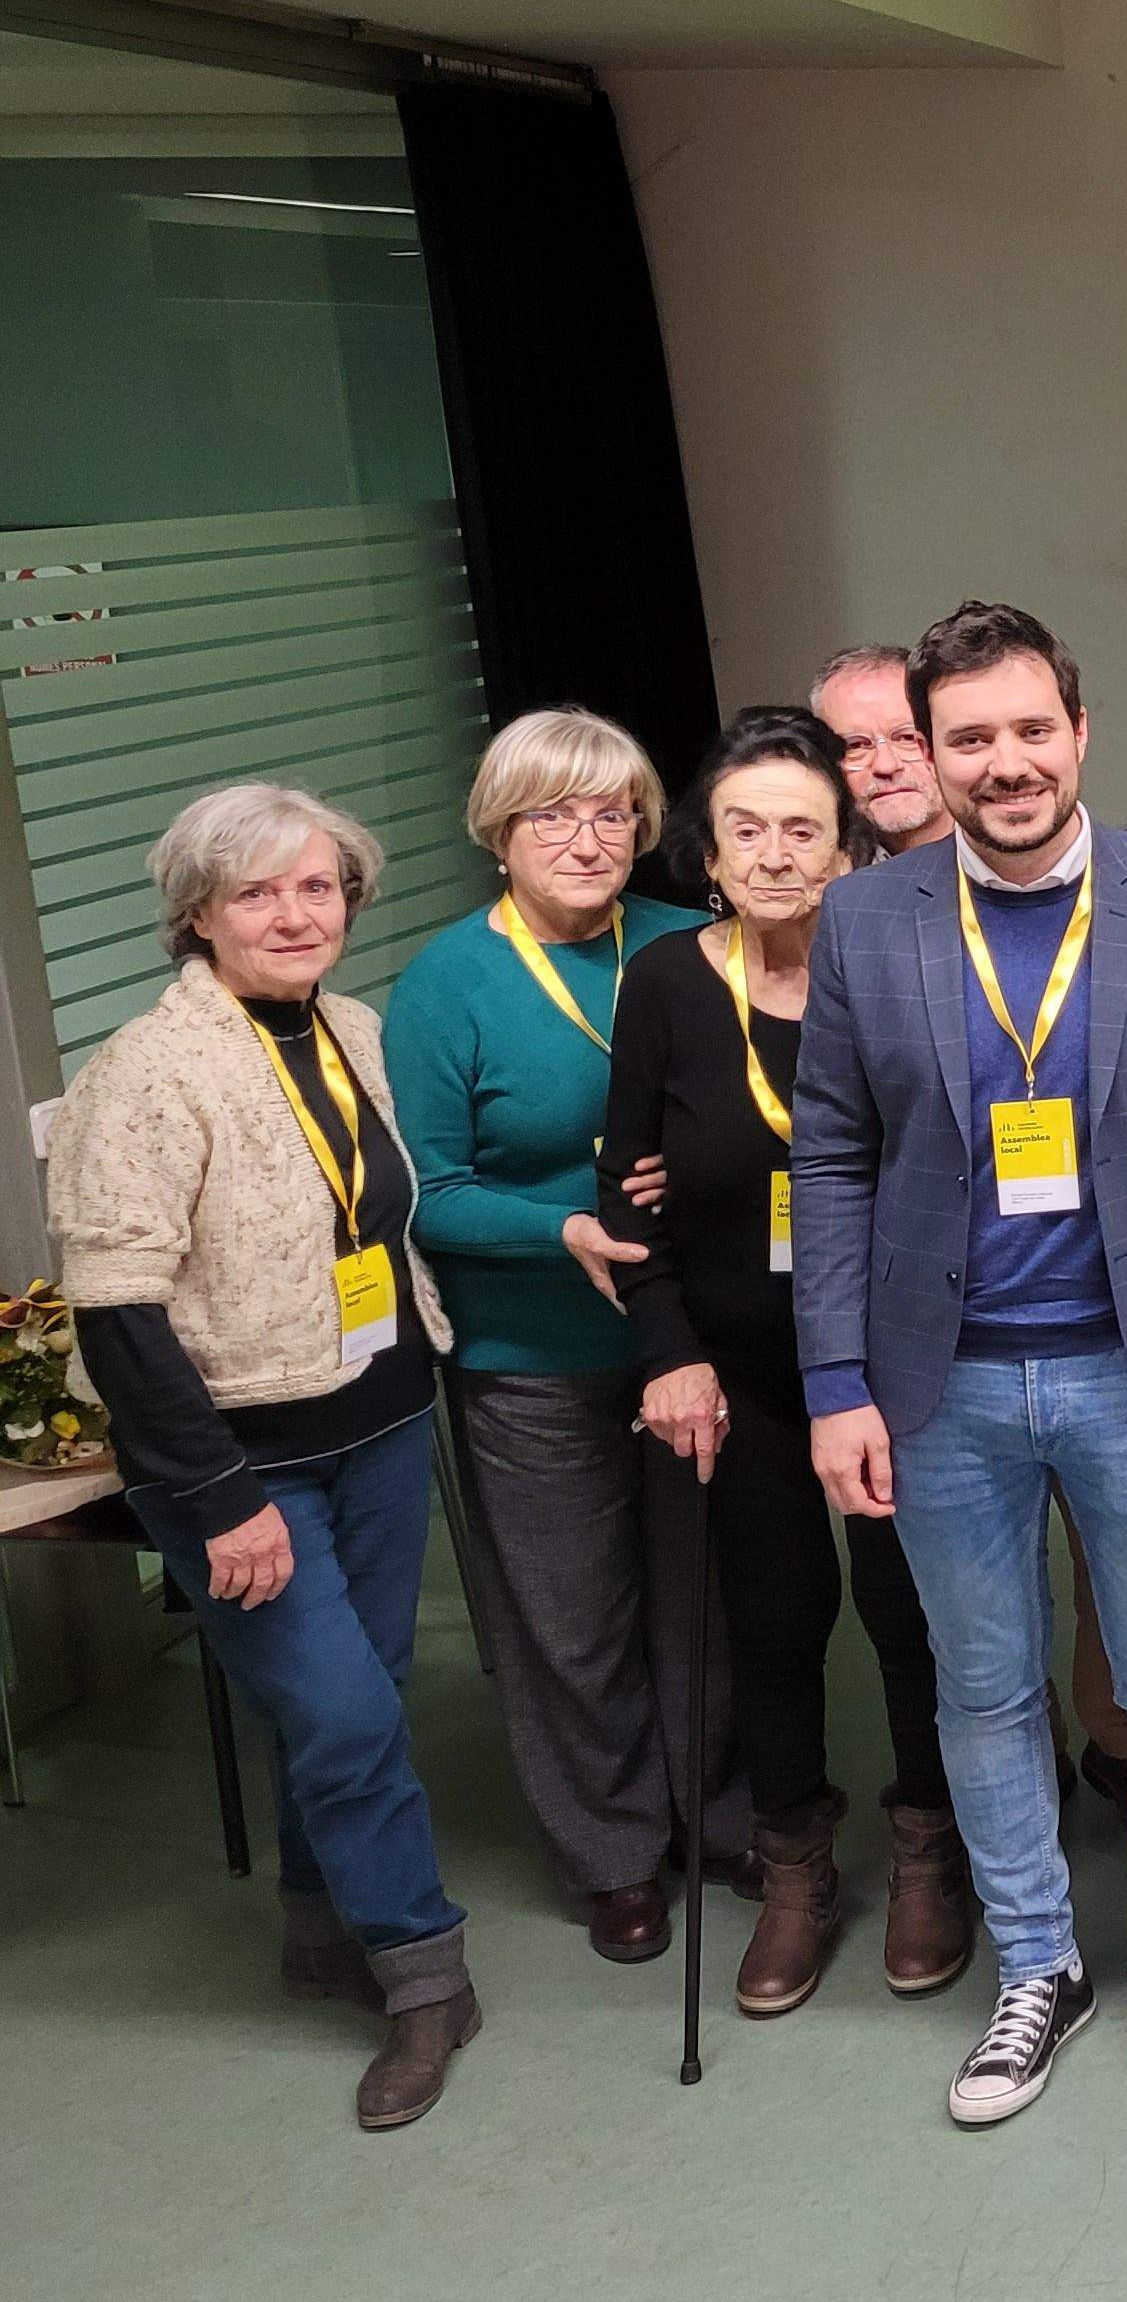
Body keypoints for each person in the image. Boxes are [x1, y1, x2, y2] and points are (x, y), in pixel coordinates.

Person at [793, 601, 1127, 2128]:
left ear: (1078, 733)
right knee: (986, 1687)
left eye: (1027, 732)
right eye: (968, 740)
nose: (1002, 765)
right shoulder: (867, 921)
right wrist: (831, 1384)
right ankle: (1038, 1970)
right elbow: (831, 1158)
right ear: (925, 759)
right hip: (937, 1386)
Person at [52, 786, 473, 2128]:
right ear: (198, 915)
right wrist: (221, 1497)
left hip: (387, 1421)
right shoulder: (146, 1073)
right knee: (344, 1714)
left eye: (320, 886)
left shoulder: (350, 1028)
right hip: (242, 1460)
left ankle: (317, 1927)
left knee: (353, 1700)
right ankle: (423, 1975)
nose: (297, 914)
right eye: (259, 893)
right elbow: (117, 1310)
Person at [597, 711, 970, 2016]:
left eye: (800, 828)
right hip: (738, 1365)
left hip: (895, 1359)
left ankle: (931, 1852)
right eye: (745, 828)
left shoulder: (905, 967)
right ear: (709, 847)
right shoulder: (662, 986)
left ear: (845, 843)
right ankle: (796, 1864)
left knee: (907, 1611)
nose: (772, 854)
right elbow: (627, 1201)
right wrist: (668, 1354)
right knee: (774, 1617)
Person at [385, 709, 716, 1962]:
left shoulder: (690, 944)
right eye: (553, 815)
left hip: (685, 1338)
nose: (588, 837)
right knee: (571, 1622)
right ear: (499, 832)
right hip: (530, 1361)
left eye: (612, 811)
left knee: (705, 1597)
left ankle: (717, 1813)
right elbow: (429, 1186)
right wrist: (558, 1233)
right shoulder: (446, 985)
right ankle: (614, 1854)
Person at [813, 644, 944, 856]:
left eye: (907, 738)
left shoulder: (1005, 858)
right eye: (856, 746)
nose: (886, 765)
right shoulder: (821, 875)